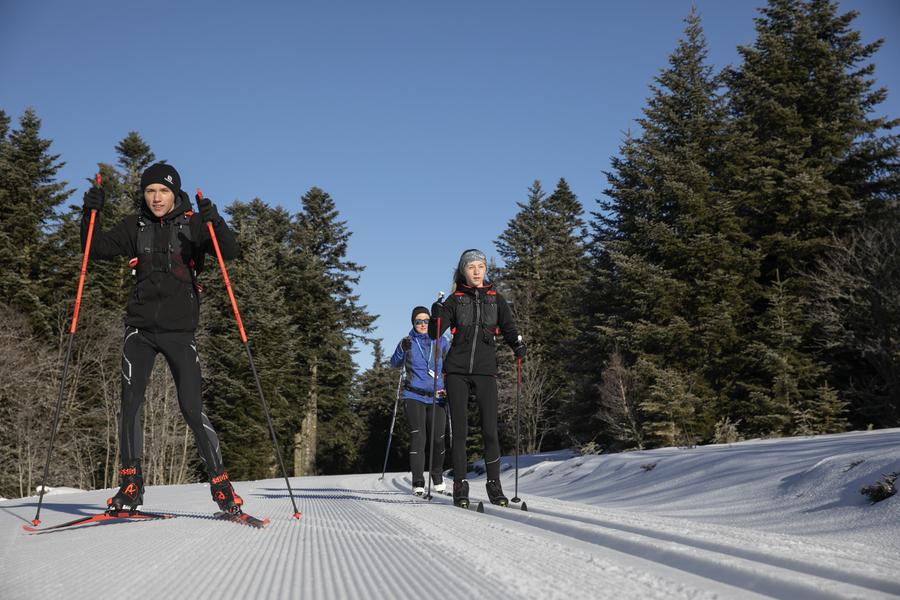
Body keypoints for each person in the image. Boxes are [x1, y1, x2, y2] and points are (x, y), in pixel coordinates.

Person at [81, 162, 245, 514]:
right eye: (150, 191)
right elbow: (93, 249)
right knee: (131, 405)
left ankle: (220, 485)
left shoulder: (194, 224)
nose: (156, 198)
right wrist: (90, 211)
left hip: (179, 331)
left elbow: (229, 251)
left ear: (175, 194)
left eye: (163, 191)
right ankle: (130, 484)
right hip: (139, 330)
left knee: (191, 407)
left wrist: (215, 221)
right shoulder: (134, 226)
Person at [429, 249, 526, 508]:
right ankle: (460, 484)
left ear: (485, 270)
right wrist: (436, 313)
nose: (476, 271)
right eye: (471, 267)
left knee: (490, 431)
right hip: (457, 371)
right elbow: (434, 333)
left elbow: (509, 329)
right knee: (459, 432)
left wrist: (517, 345)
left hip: (485, 370)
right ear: (463, 271)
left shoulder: (496, 299)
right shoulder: (454, 300)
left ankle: (494, 484)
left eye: (480, 266)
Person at [390, 306, 451, 496]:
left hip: (437, 396)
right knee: (419, 436)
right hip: (413, 395)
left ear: (431, 322)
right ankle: (418, 481)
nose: (423, 325)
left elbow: (452, 363)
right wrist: (401, 350)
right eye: (418, 321)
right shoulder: (407, 342)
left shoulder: (441, 341)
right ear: (413, 324)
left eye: (426, 321)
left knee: (438, 439)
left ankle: (437, 475)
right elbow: (394, 363)